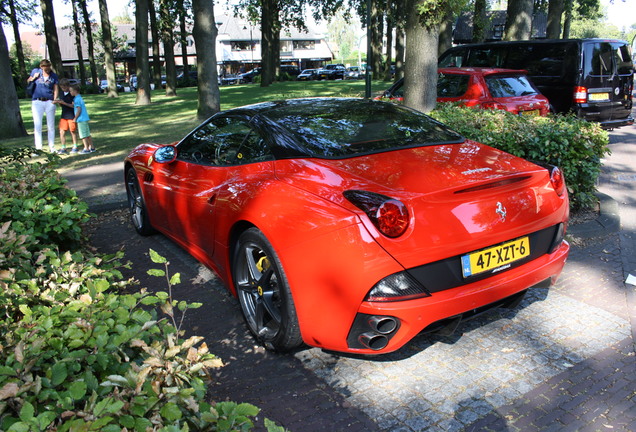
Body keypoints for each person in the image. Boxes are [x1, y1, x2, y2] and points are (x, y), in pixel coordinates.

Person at [27, 59, 59, 152]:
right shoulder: (35, 72)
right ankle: (38, 148)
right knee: (37, 125)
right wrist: (34, 78)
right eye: (45, 67)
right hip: (37, 101)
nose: (47, 69)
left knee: (51, 125)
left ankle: (52, 147)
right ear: (41, 67)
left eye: (48, 66)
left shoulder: (53, 76)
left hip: (49, 101)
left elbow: (55, 88)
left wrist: (55, 98)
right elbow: (28, 81)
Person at [52, 79, 78, 154]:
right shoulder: (61, 93)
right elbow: (61, 104)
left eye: (65, 87)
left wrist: (64, 103)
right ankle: (63, 147)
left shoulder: (72, 94)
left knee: (73, 131)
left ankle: (75, 146)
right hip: (64, 115)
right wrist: (59, 103)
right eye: (62, 87)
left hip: (71, 114)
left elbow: (73, 106)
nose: (64, 88)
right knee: (62, 131)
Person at [69, 84, 95, 154]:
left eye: (71, 91)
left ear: (75, 91)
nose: (70, 92)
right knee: (87, 133)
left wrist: (75, 118)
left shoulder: (77, 99)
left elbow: (79, 110)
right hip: (84, 118)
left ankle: (86, 148)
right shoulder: (79, 98)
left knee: (83, 134)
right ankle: (92, 147)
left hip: (80, 119)